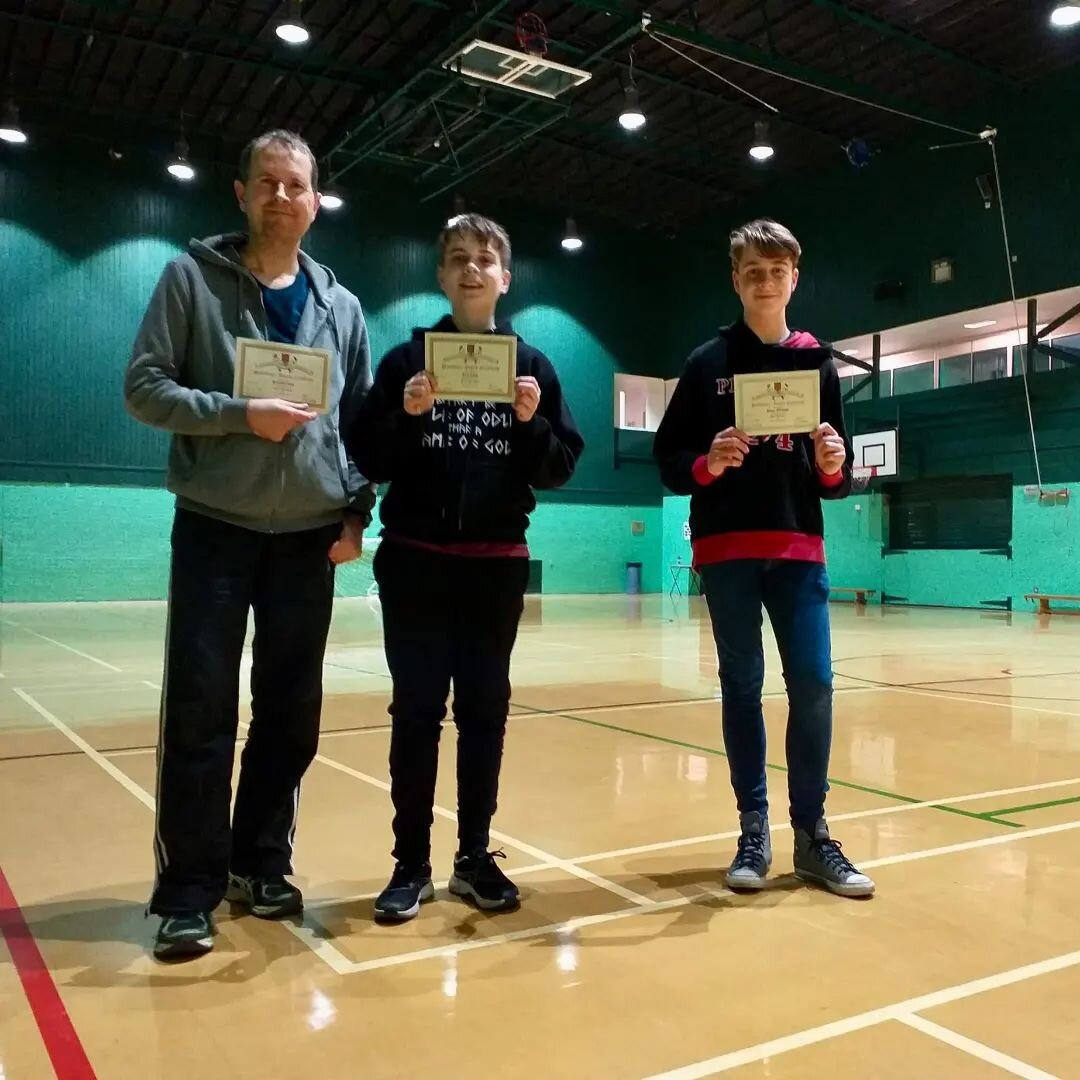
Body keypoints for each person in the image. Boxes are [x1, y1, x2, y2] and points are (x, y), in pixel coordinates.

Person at [124, 129, 376, 959]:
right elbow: (145, 387)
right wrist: (239, 415)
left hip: (308, 538)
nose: (281, 196)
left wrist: (353, 518)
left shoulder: (342, 308)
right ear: (240, 194)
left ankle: (260, 861)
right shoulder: (188, 279)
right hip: (215, 529)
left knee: (291, 715)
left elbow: (362, 427)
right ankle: (188, 889)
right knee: (200, 708)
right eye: (266, 182)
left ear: (315, 201)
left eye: (296, 185)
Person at [349, 213, 584, 920]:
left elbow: (562, 466)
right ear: (442, 276)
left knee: (485, 712)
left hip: (495, 566)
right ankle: (409, 864)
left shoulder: (533, 367)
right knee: (416, 712)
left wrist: (531, 423)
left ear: (504, 278)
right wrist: (409, 414)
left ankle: (475, 858)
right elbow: (368, 456)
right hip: (416, 562)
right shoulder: (404, 364)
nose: (472, 269)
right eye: (458, 258)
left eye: (485, 259)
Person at [652, 218, 874, 898]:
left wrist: (835, 465)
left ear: (794, 277)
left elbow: (831, 474)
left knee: (813, 683)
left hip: (799, 548)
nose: (765, 280)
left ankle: (812, 834)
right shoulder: (705, 364)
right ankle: (754, 827)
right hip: (726, 551)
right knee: (742, 686)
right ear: (736, 279)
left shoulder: (818, 362)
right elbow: (669, 461)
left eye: (777, 270)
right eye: (753, 270)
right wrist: (707, 463)